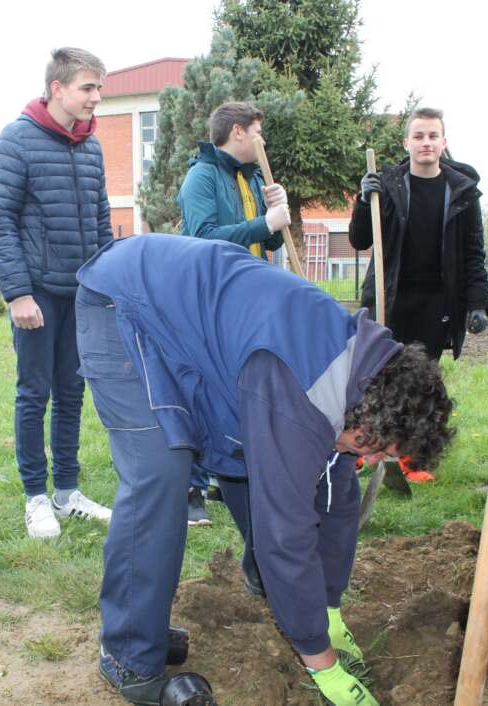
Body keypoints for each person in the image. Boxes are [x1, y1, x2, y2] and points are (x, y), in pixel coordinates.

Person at [76, 234, 455, 706]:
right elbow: (285, 532)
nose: (375, 459)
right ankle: (128, 653)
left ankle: (279, 593)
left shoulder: (362, 382)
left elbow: (336, 502)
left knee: (253, 455)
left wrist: (328, 608)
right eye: (378, 448)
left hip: (200, 321)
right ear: (371, 416)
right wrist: (321, 661)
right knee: (161, 472)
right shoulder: (301, 390)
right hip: (125, 302)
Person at [0, 48, 114, 539]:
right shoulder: (17, 139)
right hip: (37, 293)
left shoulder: (92, 146)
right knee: (33, 392)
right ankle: (36, 498)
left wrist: (106, 283)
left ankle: (67, 492)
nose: (95, 98)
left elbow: (100, 219)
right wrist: (18, 293)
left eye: (99, 88)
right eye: (87, 88)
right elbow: (1, 222)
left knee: (71, 391)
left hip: (80, 292)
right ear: (57, 88)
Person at [176, 101, 292, 527]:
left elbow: (270, 245)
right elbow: (203, 237)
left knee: (245, 390)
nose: (263, 141)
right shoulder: (202, 177)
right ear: (238, 131)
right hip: (213, 302)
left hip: (254, 299)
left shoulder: (256, 177)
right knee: (205, 392)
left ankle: (229, 476)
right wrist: (264, 223)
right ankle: (191, 488)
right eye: (259, 132)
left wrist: (278, 218)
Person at [351, 107, 488, 361]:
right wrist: (363, 202)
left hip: (436, 305)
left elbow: (473, 253)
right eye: (418, 137)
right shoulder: (388, 186)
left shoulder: (462, 194)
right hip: (390, 301)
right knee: (382, 376)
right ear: (407, 143)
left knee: (423, 380)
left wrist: (478, 303)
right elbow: (359, 240)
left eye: (432, 136)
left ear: (443, 142)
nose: (426, 142)